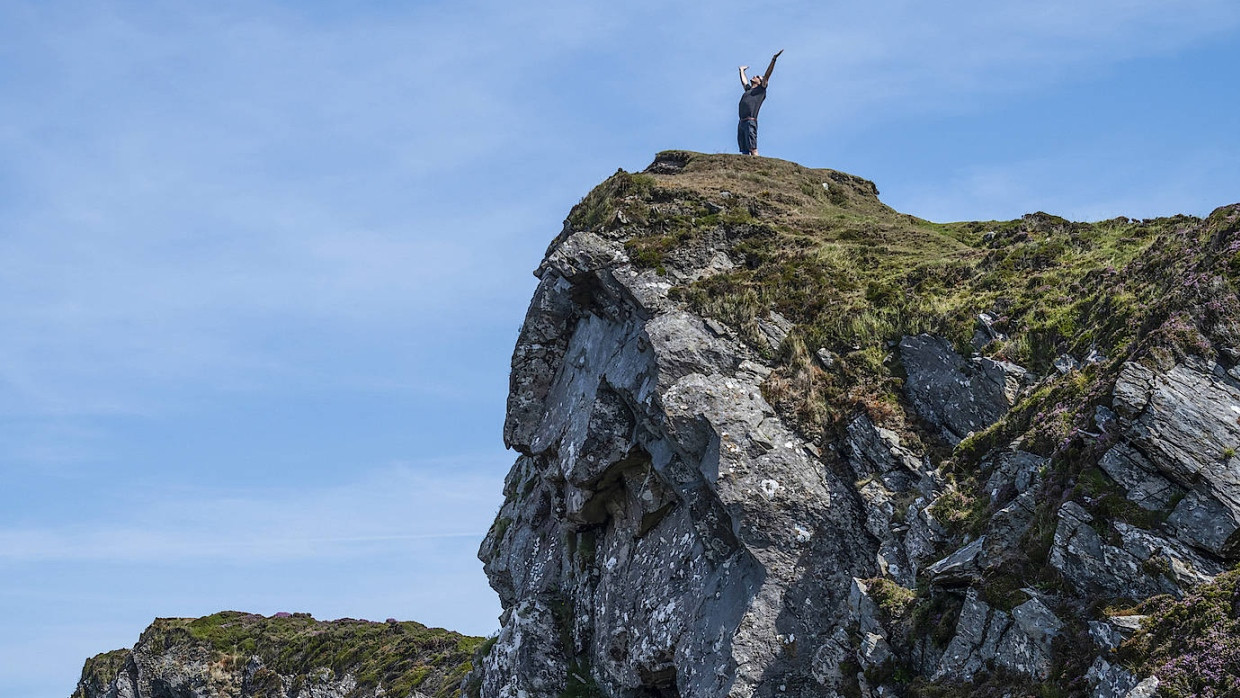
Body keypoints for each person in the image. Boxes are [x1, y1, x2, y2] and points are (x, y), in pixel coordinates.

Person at [738, 50, 783, 156]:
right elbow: (744, 81)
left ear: (761, 82)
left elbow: (767, 75)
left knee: (752, 148)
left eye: (758, 76)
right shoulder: (749, 90)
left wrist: (774, 59)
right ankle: (746, 168)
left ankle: (758, 166)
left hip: (750, 121)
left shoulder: (760, 91)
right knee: (744, 150)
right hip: (741, 123)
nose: (755, 76)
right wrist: (741, 70)